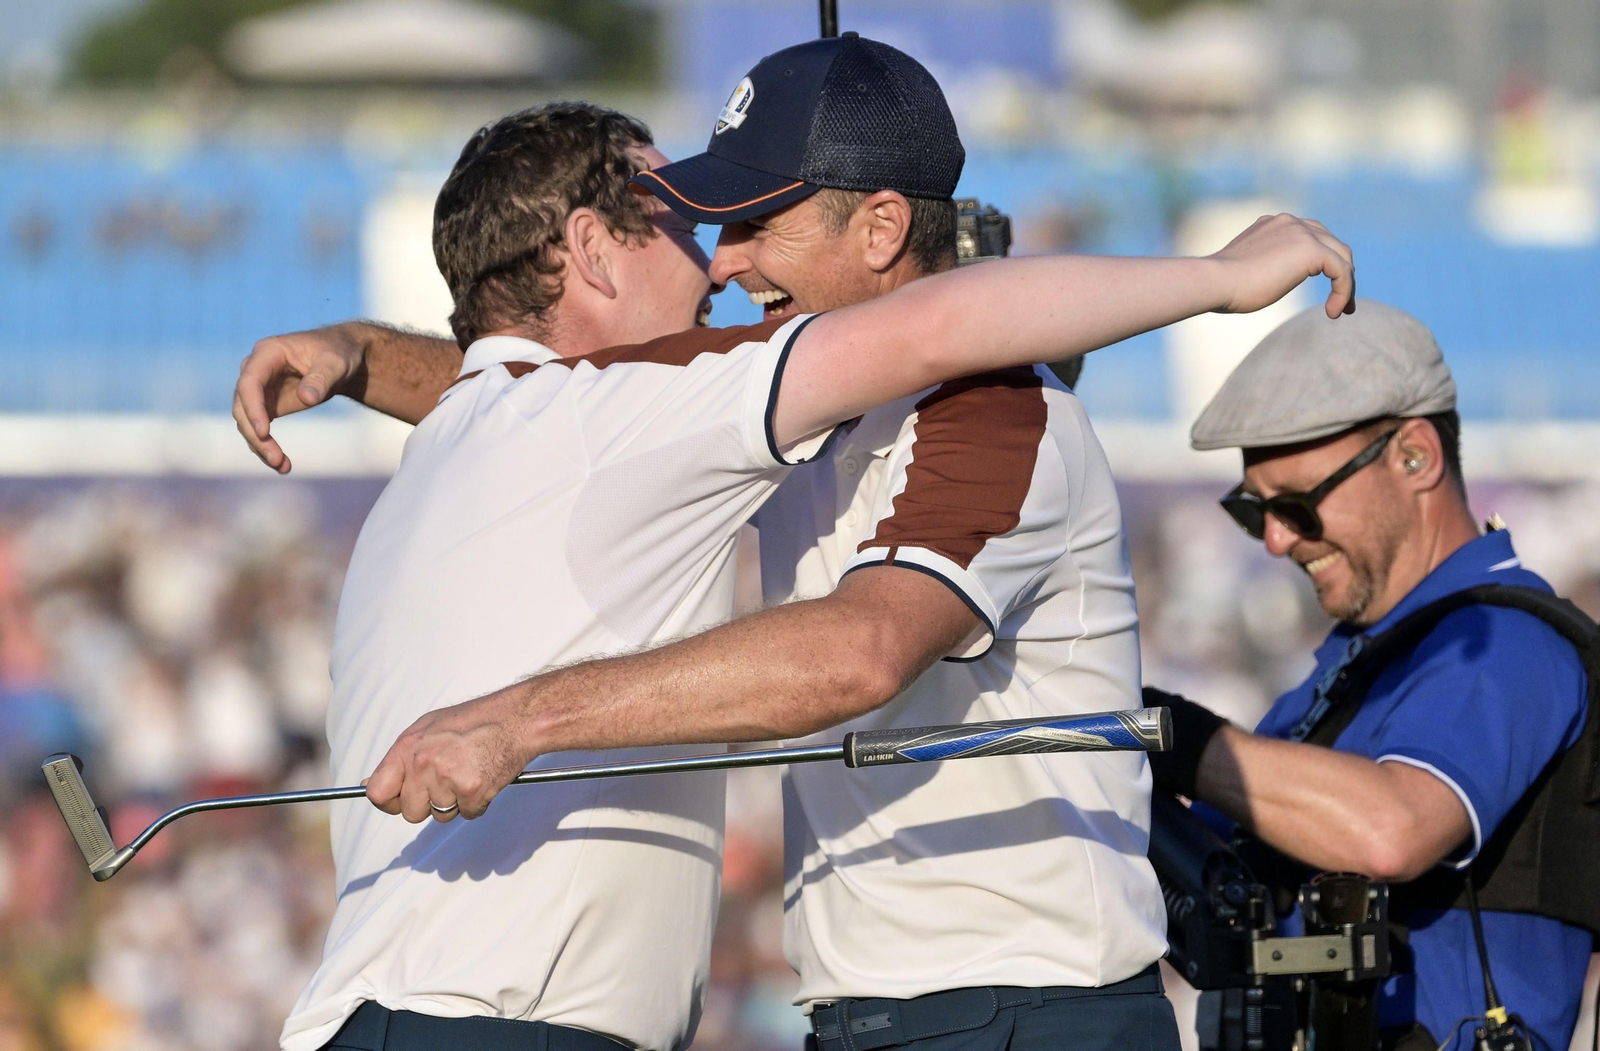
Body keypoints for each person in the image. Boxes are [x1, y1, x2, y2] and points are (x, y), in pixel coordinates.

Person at [237, 44, 1355, 1051]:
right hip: (790, 1014)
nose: (722, 265)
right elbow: (549, 401)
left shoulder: (993, 412)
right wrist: (356, 353)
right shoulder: (634, 414)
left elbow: (863, 643)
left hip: (1019, 1008)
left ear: (879, 228)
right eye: (698, 228)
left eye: (751, 222)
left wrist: (1221, 283)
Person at [1142, 302, 1594, 1051]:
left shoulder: (1506, 641)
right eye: (1255, 512)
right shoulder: (1344, 672)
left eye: (1296, 505)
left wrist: (1177, 735)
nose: (1276, 539)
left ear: (1415, 457)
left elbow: (1392, 830)